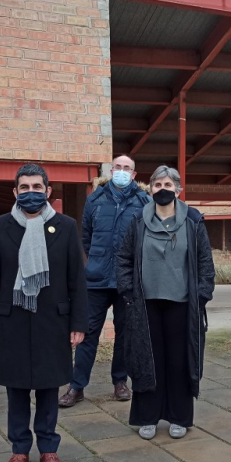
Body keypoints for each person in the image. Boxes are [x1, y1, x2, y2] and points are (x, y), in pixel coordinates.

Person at [0, 164, 88, 462]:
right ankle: (19, 450)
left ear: (48, 191)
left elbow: (76, 280)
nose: (30, 193)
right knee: (16, 391)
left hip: (53, 320)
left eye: (37, 187)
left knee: (49, 388)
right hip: (11, 319)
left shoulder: (65, 227)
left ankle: (49, 449)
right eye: (24, 187)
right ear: (15, 192)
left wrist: (79, 322)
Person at [116, 165, 215, 440]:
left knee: (178, 361)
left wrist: (202, 294)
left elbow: (205, 264)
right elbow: (123, 259)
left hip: (182, 305)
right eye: (158, 185)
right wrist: (127, 292)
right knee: (148, 361)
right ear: (150, 189)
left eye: (168, 185)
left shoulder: (194, 221)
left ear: (178, 190)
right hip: (145, 305)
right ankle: (147, 417)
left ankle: (179, 416)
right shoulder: (137, 220)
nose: (163, 189)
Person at [60, 154, 151, 407]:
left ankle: (120, 382)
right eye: (118, 167)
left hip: (126, 281)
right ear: (111, 170)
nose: (122, 171)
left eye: (127, 168)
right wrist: (99, 261)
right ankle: (77, 387)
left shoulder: (143, 201)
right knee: (87, 335)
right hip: (97, 280)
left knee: (125, 335)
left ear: (134, 174)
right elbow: (86, 237)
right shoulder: (95, 200)